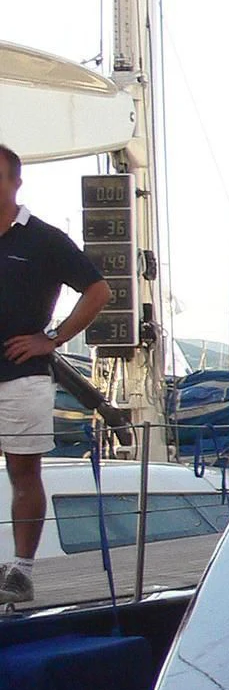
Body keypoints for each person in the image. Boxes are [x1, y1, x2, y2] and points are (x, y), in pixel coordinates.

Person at [0, 143, 109, 606]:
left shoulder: (42, 238)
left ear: (16, 183)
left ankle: (22, 571)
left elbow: (97, 290)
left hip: (21, 374)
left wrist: (53, 338)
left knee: (24, 472)